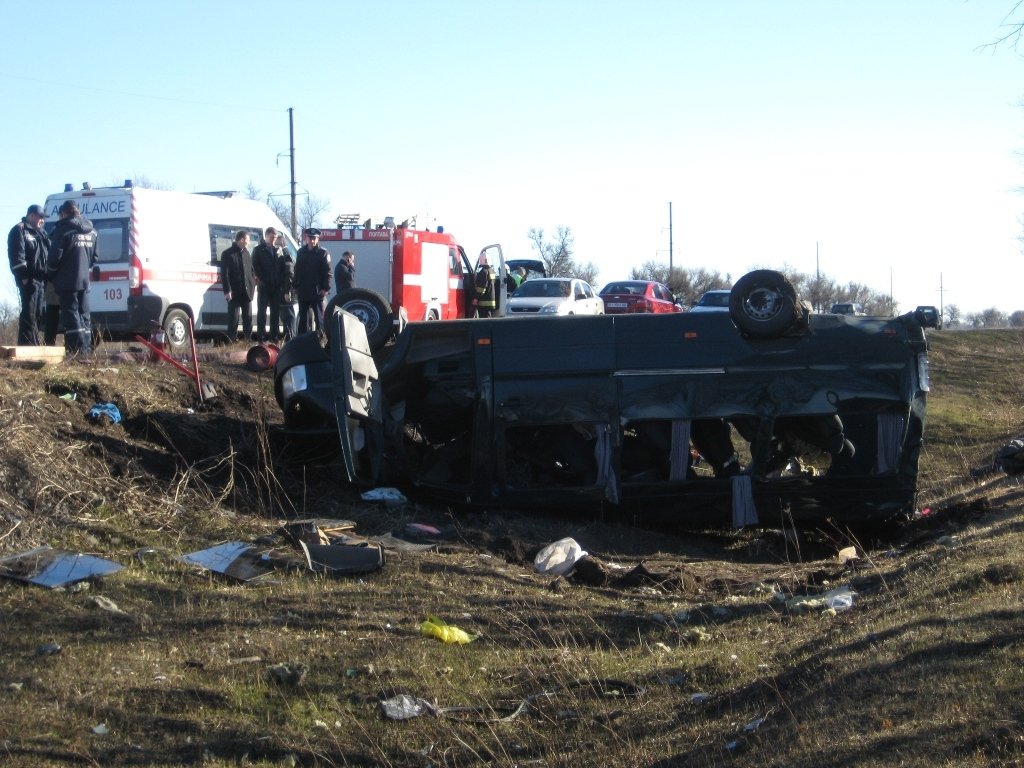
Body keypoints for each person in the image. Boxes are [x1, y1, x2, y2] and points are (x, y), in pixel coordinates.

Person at [46, 200, 98, 356]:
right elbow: (95, 257)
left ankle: (76, 350)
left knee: (71, 315)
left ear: (64, 213)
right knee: (84, 315)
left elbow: (54, 258)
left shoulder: (62, 229)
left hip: (67, 281)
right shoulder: (92, 230)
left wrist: (52, 274)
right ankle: (86, 350)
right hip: (84, 281)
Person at [7, 204, 50, 345]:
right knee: (29, 312)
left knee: (38, 313)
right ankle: (27, 344)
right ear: (31, 216)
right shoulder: (19, 230)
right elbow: (17, 256)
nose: (42, 221)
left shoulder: (41, 233)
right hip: (28, 279)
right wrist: (23, 276)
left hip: (41, 279)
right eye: (41, 218)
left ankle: (34, 341)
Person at [294, 227, 332, 334]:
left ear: (318, 239)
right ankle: (302, 341)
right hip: (303, 290)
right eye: (310, 238)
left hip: (317, 291)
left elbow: (328, 272)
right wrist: (295, 285)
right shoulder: (301, 252)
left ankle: (321, 341)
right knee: (303, 320)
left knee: (320, 320)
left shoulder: (323, 253)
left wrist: (325, 288)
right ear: (306, 238)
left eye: (314, 238)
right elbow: (297, 270)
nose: (312, 240)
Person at [221, 230, 255, 342]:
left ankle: (247, 341)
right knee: (233, 319)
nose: (249, 242)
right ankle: (231, 341)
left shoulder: (246, 253)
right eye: (248, 239)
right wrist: (227, 290)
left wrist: (253, 286)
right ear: (242, 239)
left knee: (248, 318)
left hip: (247, 293)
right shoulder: (227, 254)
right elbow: (224, 274)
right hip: (234, 293)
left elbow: (251, 271)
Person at [251, 226, 282, 342]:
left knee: (275, 313)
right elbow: (255, 265)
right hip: (264, 286)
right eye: (271, 237)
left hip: (276, 286)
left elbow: (282, 266)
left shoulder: (278, 250)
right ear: (266, 236)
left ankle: (274, 337)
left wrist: (280, 281)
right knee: (262, 313)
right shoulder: (258, 249)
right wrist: (262, 279)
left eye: (275, 237)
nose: (273, 239)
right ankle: (261, 337)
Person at [276, 233, 297, 341]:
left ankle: (290, 340)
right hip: (286, 290)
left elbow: (289, 274)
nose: (275, 245)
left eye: (277, 243)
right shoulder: (287, 253)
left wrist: (286, 291)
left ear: (282, 243)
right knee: (287, 317)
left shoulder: (286, 254)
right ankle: (288, 338)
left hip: (286, 291)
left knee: (288, 317)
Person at [473, 253, 498, 317]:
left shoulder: (483, 272)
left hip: (484, 303)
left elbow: (482, 288)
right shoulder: (492, 271)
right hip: (491, 301)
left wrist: (476, 298)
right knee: (488, 320)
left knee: (484, 321)